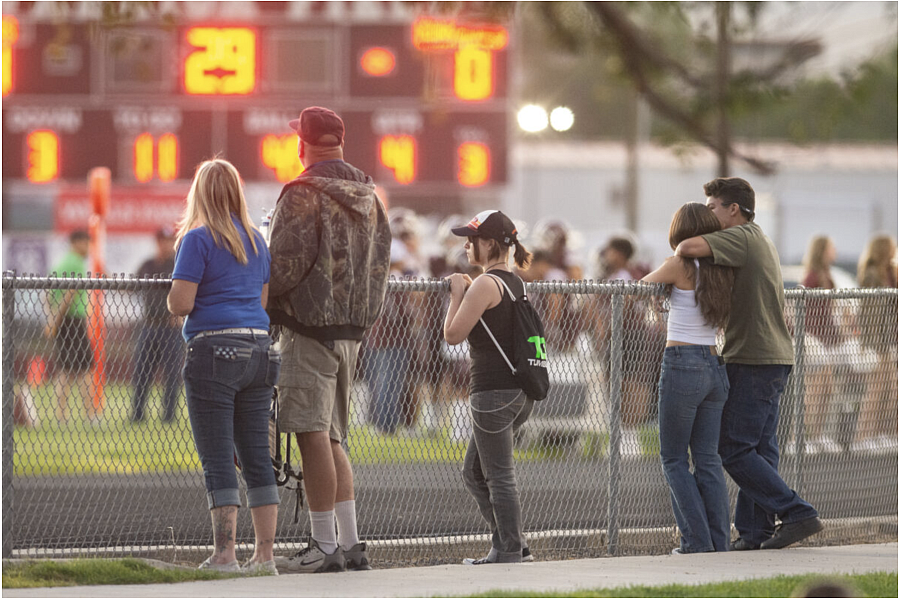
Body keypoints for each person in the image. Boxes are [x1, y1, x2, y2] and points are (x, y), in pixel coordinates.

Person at [267, 106, 391, 573]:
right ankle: (351, 541)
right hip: (353, 332)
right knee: (334, 437)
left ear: (304, 144)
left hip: (308, 329)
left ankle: (323, 545)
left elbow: (283, 267)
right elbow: (380, 267)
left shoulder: (302, 192)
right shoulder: (371, 195)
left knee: (311, 434)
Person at [676, 177, 824, 551]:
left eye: (713, 208)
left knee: (734, 448)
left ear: (733, 210)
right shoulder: (758, 237)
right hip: (772, 356)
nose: (709, 214)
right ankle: (755, 531)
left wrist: (694, 239)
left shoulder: (740, 236)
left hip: (753, 358)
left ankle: (796, 512)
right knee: (760, 449)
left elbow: (686, 245)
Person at [167, 158, 280, 575]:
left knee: (218, 456)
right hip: (260, 351)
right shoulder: (257, 241)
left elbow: (181, 302)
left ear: (199, 194)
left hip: (214, 351)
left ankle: (224, 554)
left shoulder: (197, 239)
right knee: (256, 455)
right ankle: (265, 556)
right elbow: (263, 302)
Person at [443, 209, 536, 565]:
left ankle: (510, 549)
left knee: (498, 475)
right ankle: (510, 542)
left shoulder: (485, 283)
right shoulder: (514, 282)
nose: (467, 246)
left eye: (473, 239)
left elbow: (453, 335)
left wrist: (456, 294)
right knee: (473, 472)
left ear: (491, 244)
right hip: (517, 392)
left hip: (493, 392)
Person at [642, 202, 734, 554]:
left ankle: (696, 542)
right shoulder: (722, 268)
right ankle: (718, 541)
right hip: (714, 363)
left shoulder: (679, 263)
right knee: (708, 459)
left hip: (683, 362)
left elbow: (639, 287)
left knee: (674, 458)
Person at [131, 226, 183, 423]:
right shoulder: (148, 265)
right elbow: (133, 288)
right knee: (142, 371)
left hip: (171, 327)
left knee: (171, 373)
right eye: (163, 240)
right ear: (158, 242)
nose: (167, 244)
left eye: (170, 241)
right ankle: (137, 415)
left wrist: (181, 314)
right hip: (149, 324)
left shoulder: (178, 264)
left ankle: (168, 416)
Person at [852, 235, 898, 452]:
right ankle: (862, 437)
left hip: (889, 337)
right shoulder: (872, 273)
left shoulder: (890, 272)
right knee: (875, 389)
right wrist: (871, 343)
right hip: (877, 339)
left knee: (890, 389)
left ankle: (880, 433)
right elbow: (870, 312)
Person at [46, 229, 96, 424]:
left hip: (62, 320)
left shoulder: (62, 262)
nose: (88, 248)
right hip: (72, 319)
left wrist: (52, 319)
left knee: (64, 368)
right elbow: (70, 293)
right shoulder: (76, 262)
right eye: (86, 243)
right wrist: (56, 320)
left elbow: (48, 295)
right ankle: (90, 416)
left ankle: (61, 416)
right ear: (76, 242)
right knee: (85, 368)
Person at [800, 235, 842, 453]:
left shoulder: (828, 276)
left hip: (827, 340)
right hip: (814, 339)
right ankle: (803, 437)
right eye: (831, 247)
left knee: (828, 388)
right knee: (815, 388)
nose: (834, 251)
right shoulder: (812, 276)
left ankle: (817, 434)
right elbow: (809, 312)